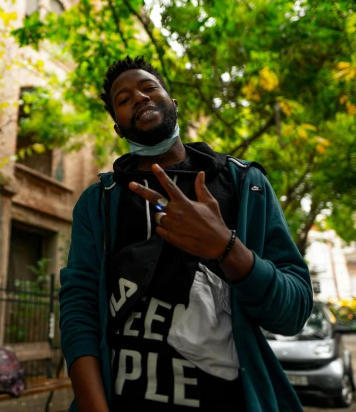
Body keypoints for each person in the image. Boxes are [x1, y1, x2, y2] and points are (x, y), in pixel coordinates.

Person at [59, 57, 313, 412]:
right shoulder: (98, 204)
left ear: (173, 103)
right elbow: (79, 309)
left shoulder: (245, 185)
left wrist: (226, 248)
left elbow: (294, 310)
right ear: (117, 127)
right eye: (124, 99)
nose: (140, 98)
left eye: (149, 88)